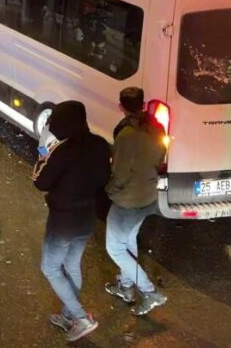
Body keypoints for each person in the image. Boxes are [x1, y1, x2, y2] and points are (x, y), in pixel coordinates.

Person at [32, 101, 112, 342]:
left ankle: (80, 317)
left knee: (51, 268)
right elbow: (103, 178)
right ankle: (68, 317)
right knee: (72, 265)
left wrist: (42, 152)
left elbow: (40, 181)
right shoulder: (100, 145)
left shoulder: (62, 150)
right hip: (87, 218)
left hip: (63, 222)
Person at [104, 87, 169, 316]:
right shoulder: (156, 128)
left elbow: (120, 173)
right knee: (128, 241)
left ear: (121, 106)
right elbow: (161, 159)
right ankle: (125, 287)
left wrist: (110, 190)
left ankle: (150, 292)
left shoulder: (126, 135)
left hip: (127, 201)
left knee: (115, 249)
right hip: (148, 197)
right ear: (142, 105)